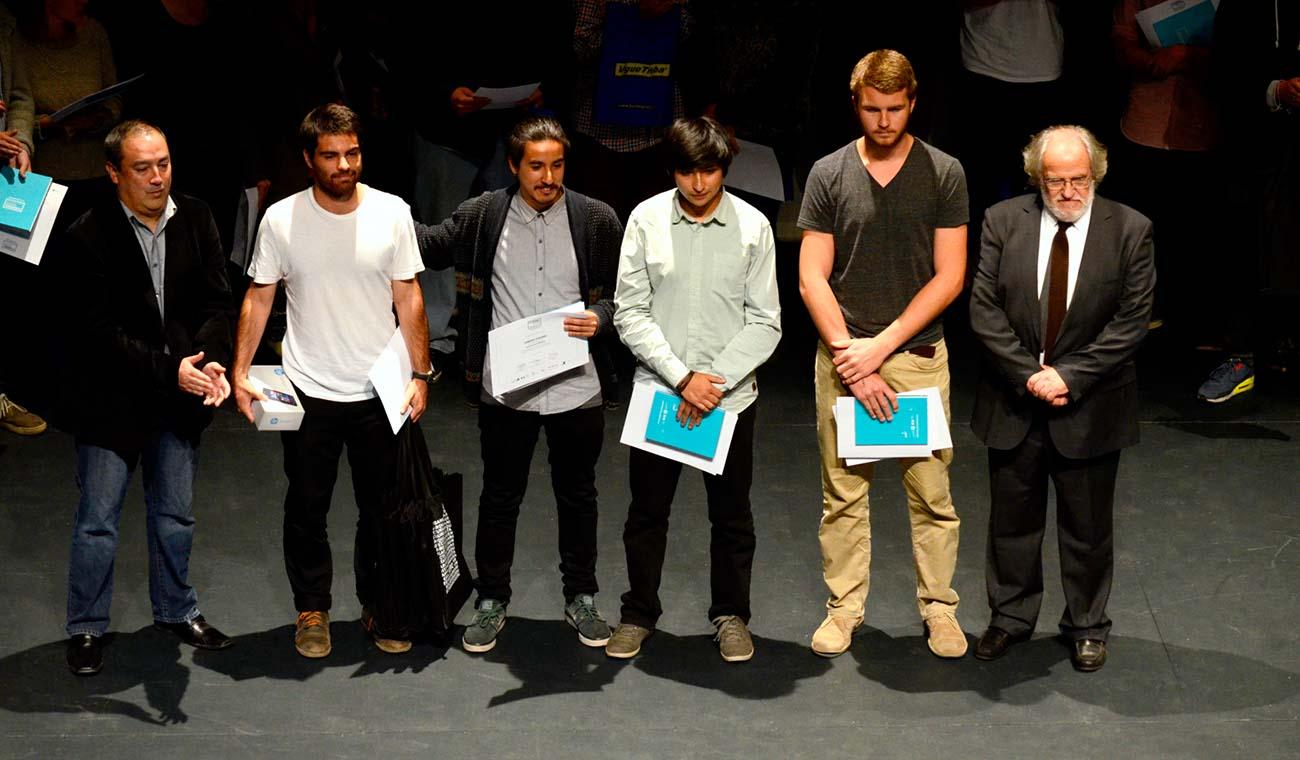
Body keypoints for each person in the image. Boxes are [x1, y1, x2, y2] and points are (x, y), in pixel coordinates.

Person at [415, 116, 622, 653]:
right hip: (508, 385)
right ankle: (492, 600)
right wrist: (368, 208)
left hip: (577, 385)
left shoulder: (596, 218)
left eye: (556, 165)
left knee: (578, 495)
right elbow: (428, 246)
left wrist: (601, 314)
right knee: (500, 496)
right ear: (513, 166)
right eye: (536, 166)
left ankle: (581, 596)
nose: (548, 176)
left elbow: (628, 292)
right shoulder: (485, 214)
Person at [233, 103, 431, 659]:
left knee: (382, 509)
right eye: (331, 155)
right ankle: (311, 608)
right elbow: (260, 294)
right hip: (307, 388)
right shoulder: (281, 219)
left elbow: (408, 295)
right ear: (308, 159)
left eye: (352, 153)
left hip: (378, 391)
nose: (344, 164)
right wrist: (242, 372)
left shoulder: (392, 212)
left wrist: (421, 373)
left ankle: (380, 604)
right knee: (306, 507)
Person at [798, 50, 969, 659]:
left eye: (895, 109)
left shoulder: (943, 172)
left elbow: (950, 277)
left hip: (915, 357)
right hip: (844, 355)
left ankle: (940, 610)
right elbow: (812, 276)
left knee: (931, 494)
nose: (884, 120)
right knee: (842, 494)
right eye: (872, 108)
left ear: (912, 103)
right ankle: (844, 610)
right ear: (856, 104)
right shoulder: (829, 172)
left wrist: (881, 349)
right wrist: (851, 356)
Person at [968, 125, 1155, 672]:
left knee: (1088, 526)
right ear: (1037, 179)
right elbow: (984, 308)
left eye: (1078, 179)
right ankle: (1010, 617)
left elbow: (1131, 322)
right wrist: (1029, 374)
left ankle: (1088, 626)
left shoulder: (1131, 230)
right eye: (1056, 181)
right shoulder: (1004, 222)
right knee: (1010, 523)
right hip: (1014, 400)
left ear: (1095, 174)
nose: (1068, 191)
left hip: (1091, 404)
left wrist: (1068, 376)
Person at [60, 120, 235, 676]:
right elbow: (96, 334)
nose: (157, 177)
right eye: (142, 168)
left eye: (163, 163)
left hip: (179, 397)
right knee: (97, 522)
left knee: (175, 516)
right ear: (114, 173)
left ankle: (177, 610)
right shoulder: (89, 233)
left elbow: (216, 303)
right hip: (113, 402)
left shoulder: (199, 216)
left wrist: (208, 365)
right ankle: (86, 628)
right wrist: (170, 370)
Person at [606, 116, 781, 663]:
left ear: (724, 168)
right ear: (672, 170)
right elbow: (630, 312)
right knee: (647, 513)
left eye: (709, 171)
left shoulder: (753, 226)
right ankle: (638, 615)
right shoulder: (645, 219)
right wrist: (683, 379)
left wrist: (712, 382)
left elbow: (766, 321)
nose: (699, 184)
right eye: (688, 171)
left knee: (731, 516)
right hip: (661, 392)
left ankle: (730, 616)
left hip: (728, 400)